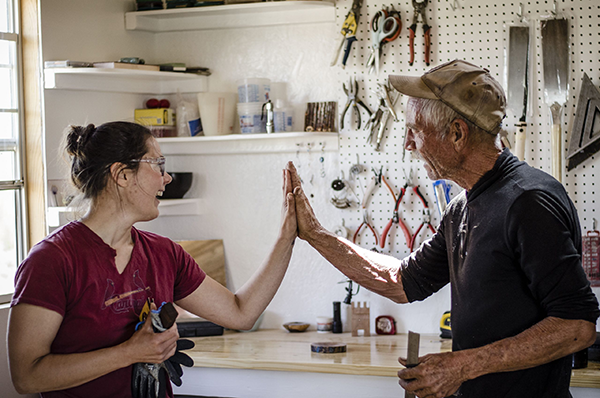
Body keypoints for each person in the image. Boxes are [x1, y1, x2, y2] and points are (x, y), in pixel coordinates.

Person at [286, 60, 600, 397]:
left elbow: (576, 327)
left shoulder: (528, 202)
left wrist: (461, 366)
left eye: (415, 130)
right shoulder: (461, 208)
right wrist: (316, 235)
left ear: (456, 133)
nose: (408, 144)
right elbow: (401, 282)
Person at [8, 121, 297, 397]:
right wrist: (130, 352)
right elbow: (27, 376)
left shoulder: (165, 254)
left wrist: (286, 236)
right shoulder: (50, 261)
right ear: (122, 175)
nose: (167, 178)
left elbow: (241, 313)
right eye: (158, 165)